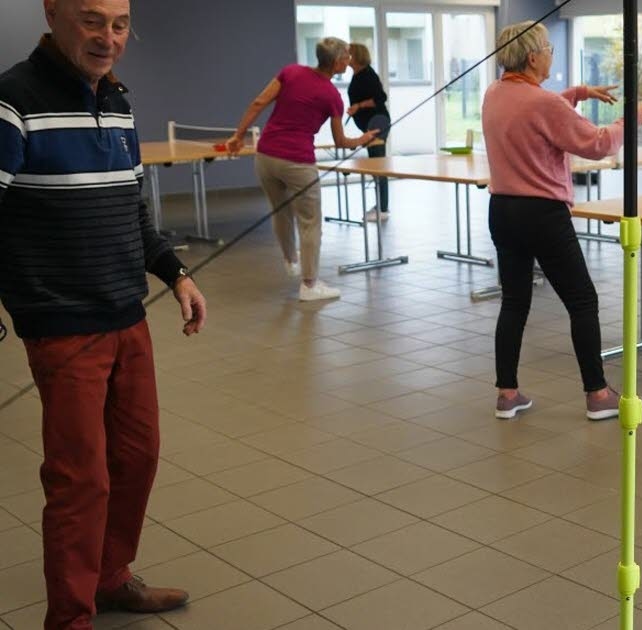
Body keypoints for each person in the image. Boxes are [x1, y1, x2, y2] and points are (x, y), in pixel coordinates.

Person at [0, 1, 207, 627]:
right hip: (63, 325)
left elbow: (132, 208)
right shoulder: (14, 99)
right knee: (79, 477)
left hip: (127, 315)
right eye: (93, 21)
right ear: (54, 12)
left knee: (136, 457)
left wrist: (175, 273)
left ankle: (111, 578)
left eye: (119, 25)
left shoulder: (117, 100)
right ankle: (70, 617)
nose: (108, 37)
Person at [483, 21, 642, 421]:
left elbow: (530, 110)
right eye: (548, 49)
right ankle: (597, 395)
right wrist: (634, 117)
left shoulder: (494, 94)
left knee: (514, 301)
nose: (551, 55)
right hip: (541, 214)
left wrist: (575, 94)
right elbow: (596, 143)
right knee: (582, 300)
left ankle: (507, 394)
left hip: (503, 211)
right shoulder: (543, 104)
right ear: (532, 57)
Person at [225, 37, 378, 302]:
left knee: (280, 210)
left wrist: (238, 136)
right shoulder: (332, 96)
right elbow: (341, 142)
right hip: (297, 162)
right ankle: (309, 285)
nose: (349, 61)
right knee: (310, 222)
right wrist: (363, 140)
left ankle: (290, 259)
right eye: (347, 57)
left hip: (265, 156)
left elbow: (259, 102)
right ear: (338, 62)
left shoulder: (291, 72)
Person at [346, 42, 390, 223]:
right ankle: (381, 205)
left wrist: (358, 105)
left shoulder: (367, 75)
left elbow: (381, 98)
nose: (345, 56)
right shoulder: (358, 75)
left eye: (348, 53)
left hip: (377, 122)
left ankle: (383, 208)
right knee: (375, 166)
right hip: (369, 123)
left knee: (378, 167)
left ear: (355, 56)